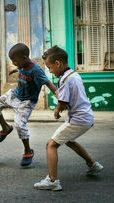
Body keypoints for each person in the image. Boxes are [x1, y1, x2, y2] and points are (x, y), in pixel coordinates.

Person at [34, 45, 103, 191]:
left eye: (50, 67)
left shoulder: (65, 80)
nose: (50, 71)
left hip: (79, 119)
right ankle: (93, 165)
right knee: (69, 141)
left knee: (51, 145)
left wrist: (57, 110)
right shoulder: (74, 74)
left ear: (58, 63)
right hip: (86, 117)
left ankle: (53, 181)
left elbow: (64, 102)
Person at [0, 43, 57, 166]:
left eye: (15, 61)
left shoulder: (36, 70)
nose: (14, 63)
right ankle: (5, 128)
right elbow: (22, 68)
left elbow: (48, 83)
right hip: (15, 95)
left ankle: (28, 151)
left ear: (24, 58)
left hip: (26, 102)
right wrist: (16, 69)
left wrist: (60, 97)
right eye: (12, 61)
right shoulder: (22, 64)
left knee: (19, 124)